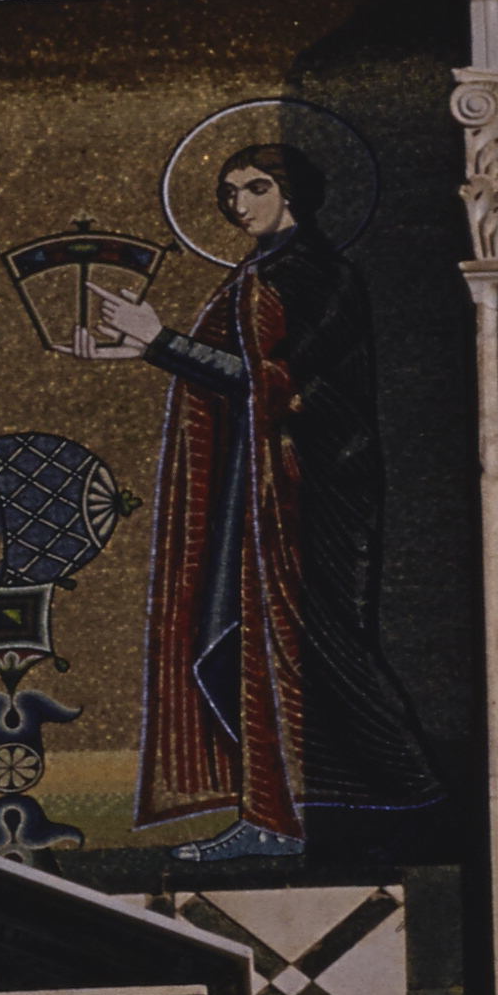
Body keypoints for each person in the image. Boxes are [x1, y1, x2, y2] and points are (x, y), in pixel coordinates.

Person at [91, 141, 436, 869]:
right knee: (225, 650)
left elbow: (278, 379)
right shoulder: (253, 275)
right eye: (228, 192)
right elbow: (231, 373)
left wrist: (161, 343)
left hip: (310, 494)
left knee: (323, 653)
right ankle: (274, 813)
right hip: (249, 493)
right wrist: (146, 349)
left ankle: (414, 802)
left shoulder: (323, 276)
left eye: (254, 187)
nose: (237, 204)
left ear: (292, 192)